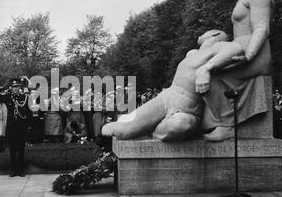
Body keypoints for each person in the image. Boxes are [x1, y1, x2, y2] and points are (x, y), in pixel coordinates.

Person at [102, 30, 245, 141]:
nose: (200, 35)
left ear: (214, 34)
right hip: (167, 97)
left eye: (204, 33)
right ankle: (147, 128)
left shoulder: (217, 46)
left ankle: (153, 131)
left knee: (179, 126)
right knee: (122, 131)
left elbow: (236, 48)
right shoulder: (192, 53)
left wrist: (206, 69)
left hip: (188, 107)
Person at [196, 0, 275, 141]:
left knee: (209, 73)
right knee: (198, 66)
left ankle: (226, 125)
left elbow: (262, 28)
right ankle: (204, 120)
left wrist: (249, 54)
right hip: (241, 49)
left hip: (254, 55)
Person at [0, 77, 30, 177]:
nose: (15, 89)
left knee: (21, 149)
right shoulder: (7, 97)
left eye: (17, 86)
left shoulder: (24, 97)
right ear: (11, 88)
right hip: (11, 127)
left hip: (21, 127)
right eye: (13, 87)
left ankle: (21, 170)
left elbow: (28, 112)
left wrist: (28, 126)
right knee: (12, 149)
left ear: (20, 87)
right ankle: (13, 170)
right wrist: (3, 86)